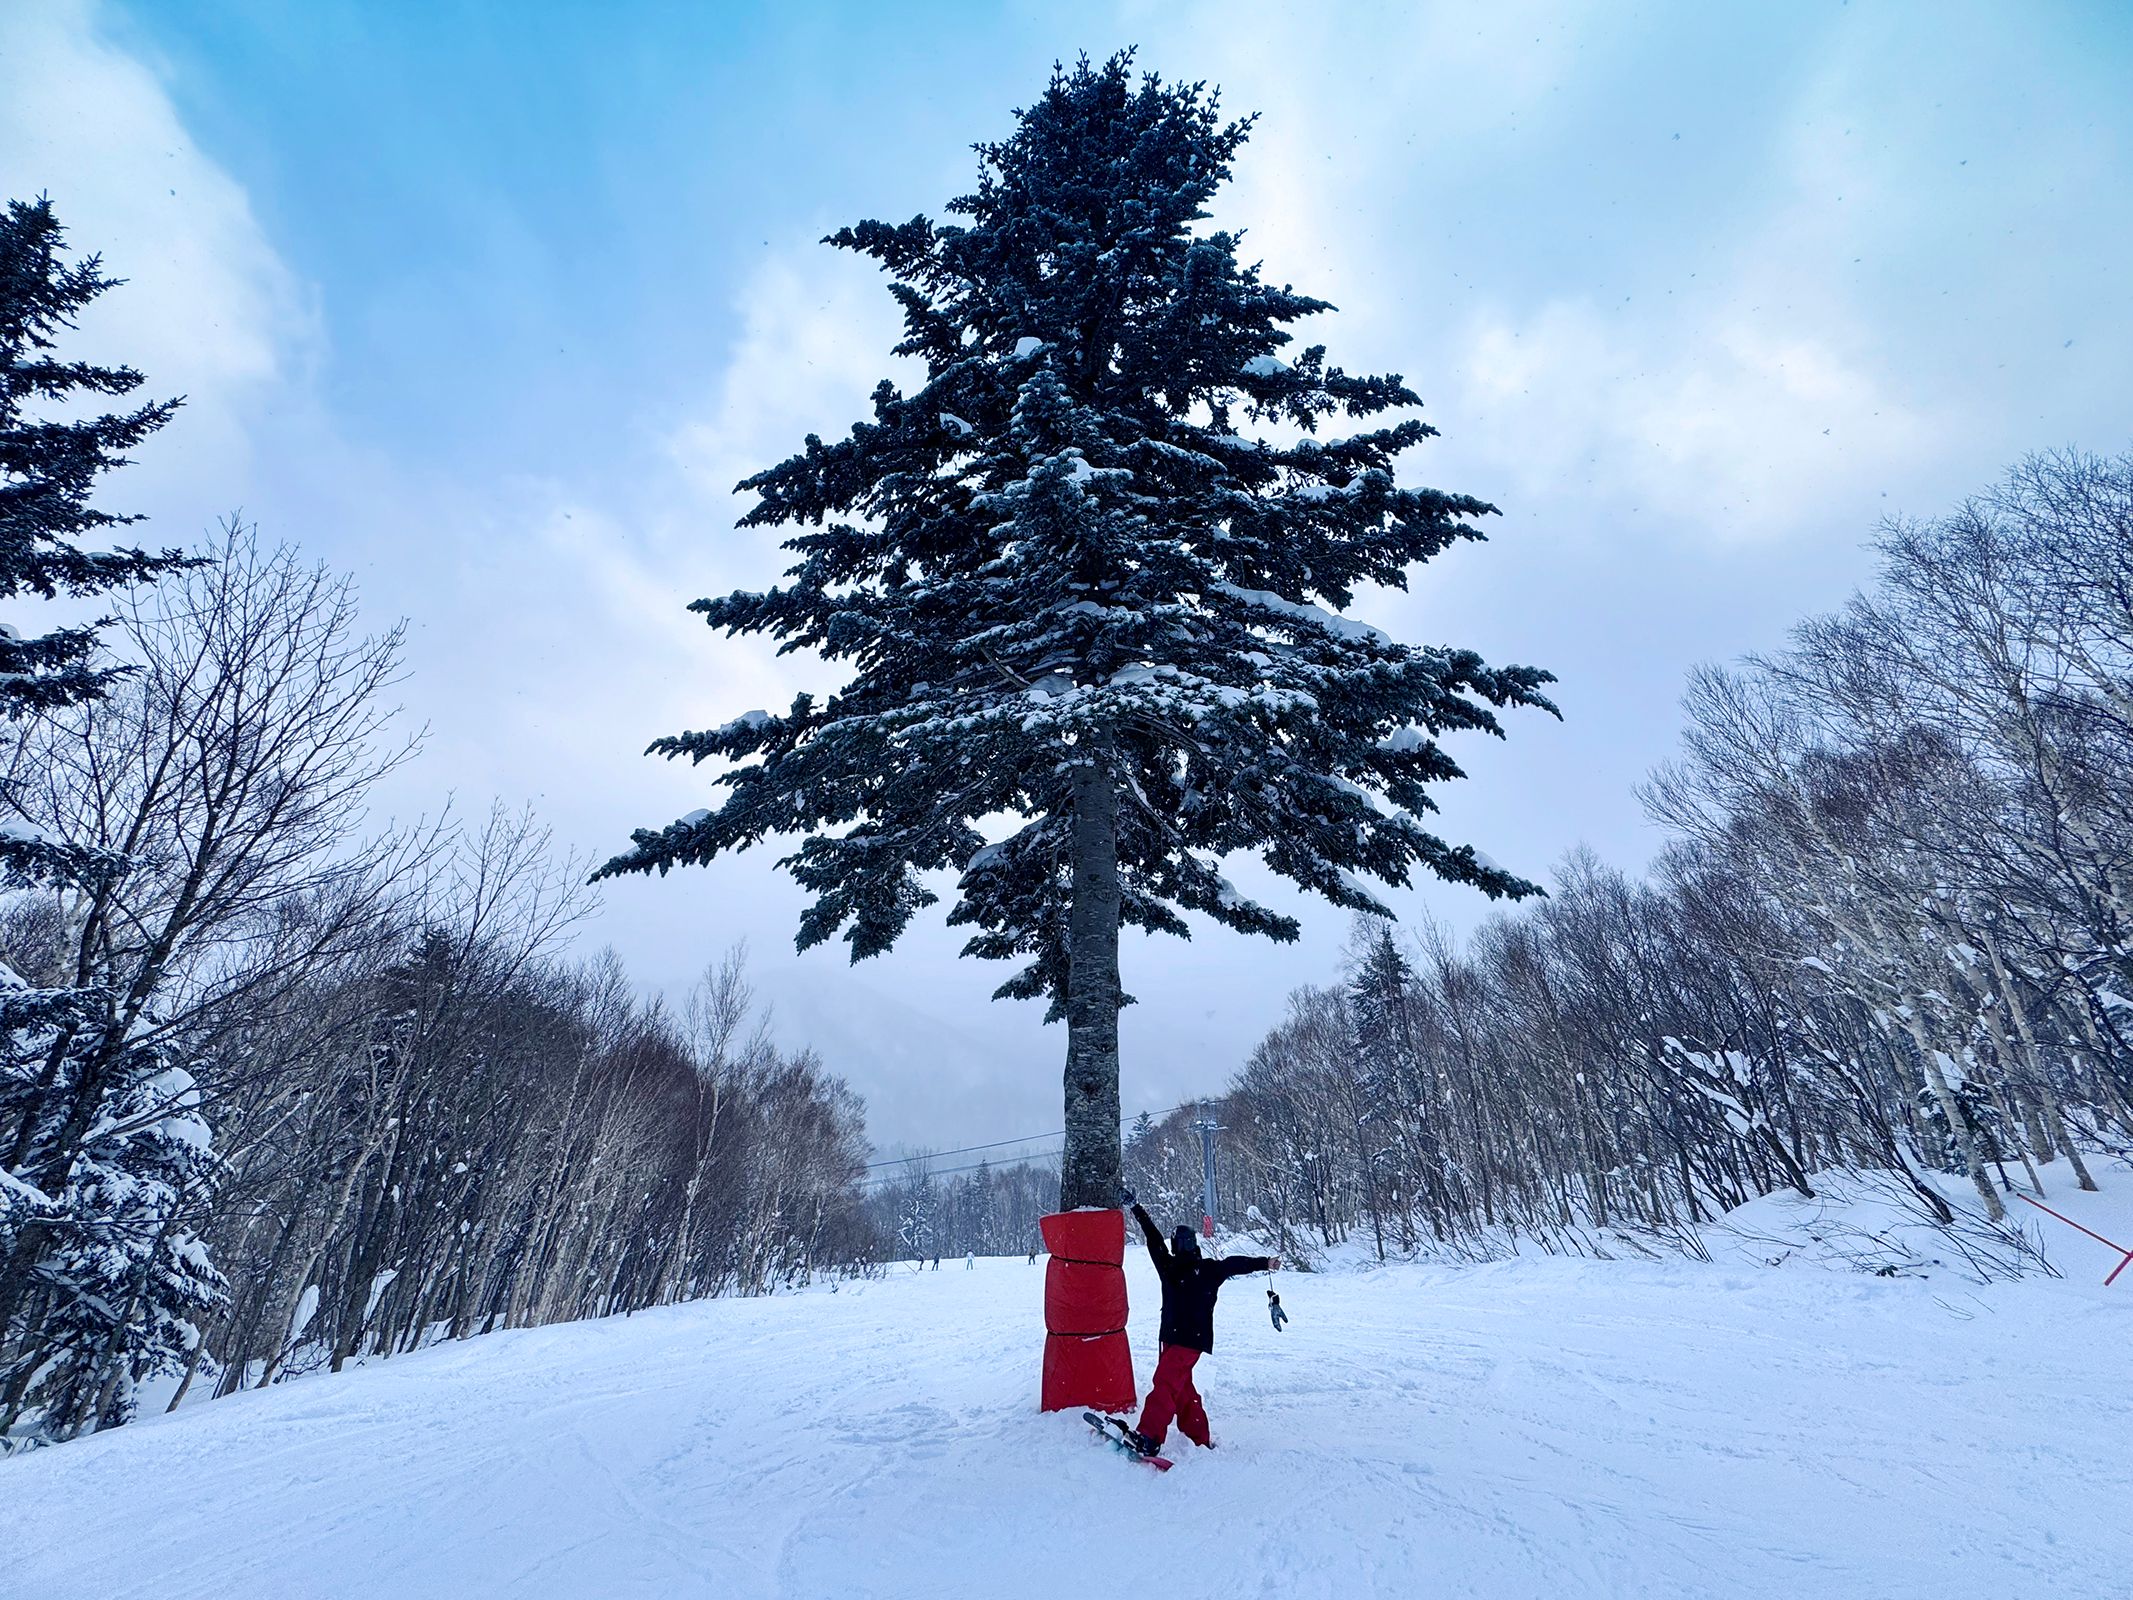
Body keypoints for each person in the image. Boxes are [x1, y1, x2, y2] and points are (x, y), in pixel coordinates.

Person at [1120, 1192, 1278, 1455]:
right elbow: (1155, 1239)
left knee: (1165, 1384)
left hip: (1186, 1339)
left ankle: (1149, 1436)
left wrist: (1264, 1263)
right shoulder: (1187, 1268)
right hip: (1175, 1338)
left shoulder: (1191, 1268)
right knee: (1181, 1389)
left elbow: (1231, 1264)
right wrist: (1136, 1207)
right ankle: (1199, 1437)